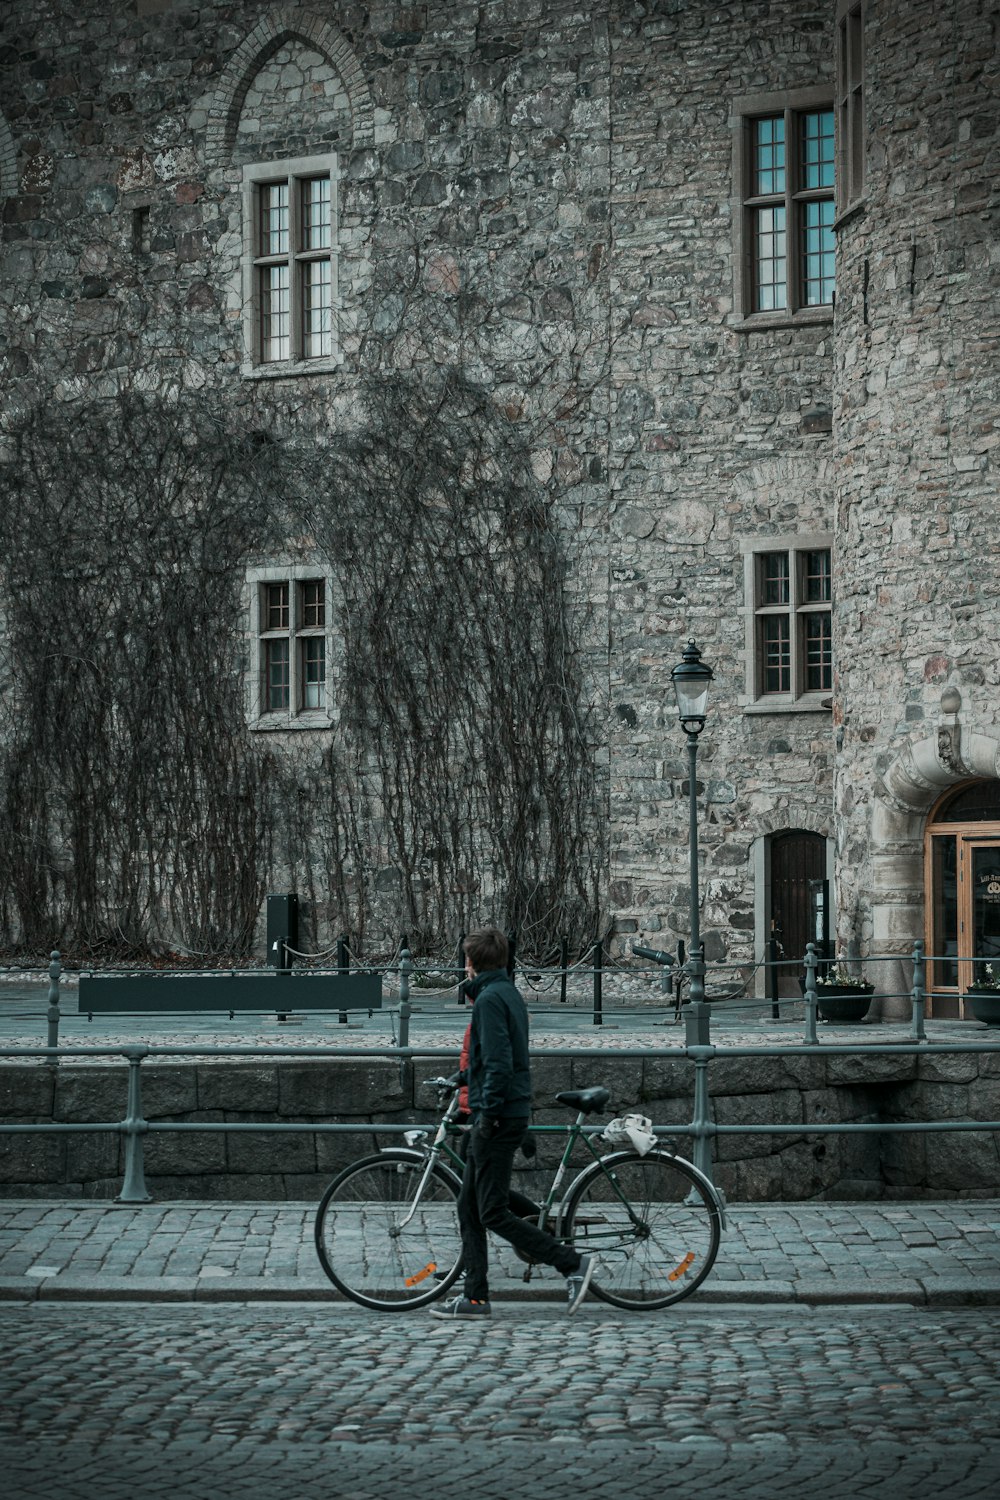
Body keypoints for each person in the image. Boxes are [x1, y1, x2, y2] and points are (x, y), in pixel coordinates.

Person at [430, 925, 597, 1318]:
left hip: (498, 1116)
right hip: (505, 1110)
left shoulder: (489, 1000)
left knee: (489, 1211)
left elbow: (501, 1064)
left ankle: (570, 1263)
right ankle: (475, 1297)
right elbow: (495, 1059)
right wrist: (462, 1079)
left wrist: (486, 1114)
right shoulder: (506, 993)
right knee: (469, 1208)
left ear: (470, 963)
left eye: (465, 961)